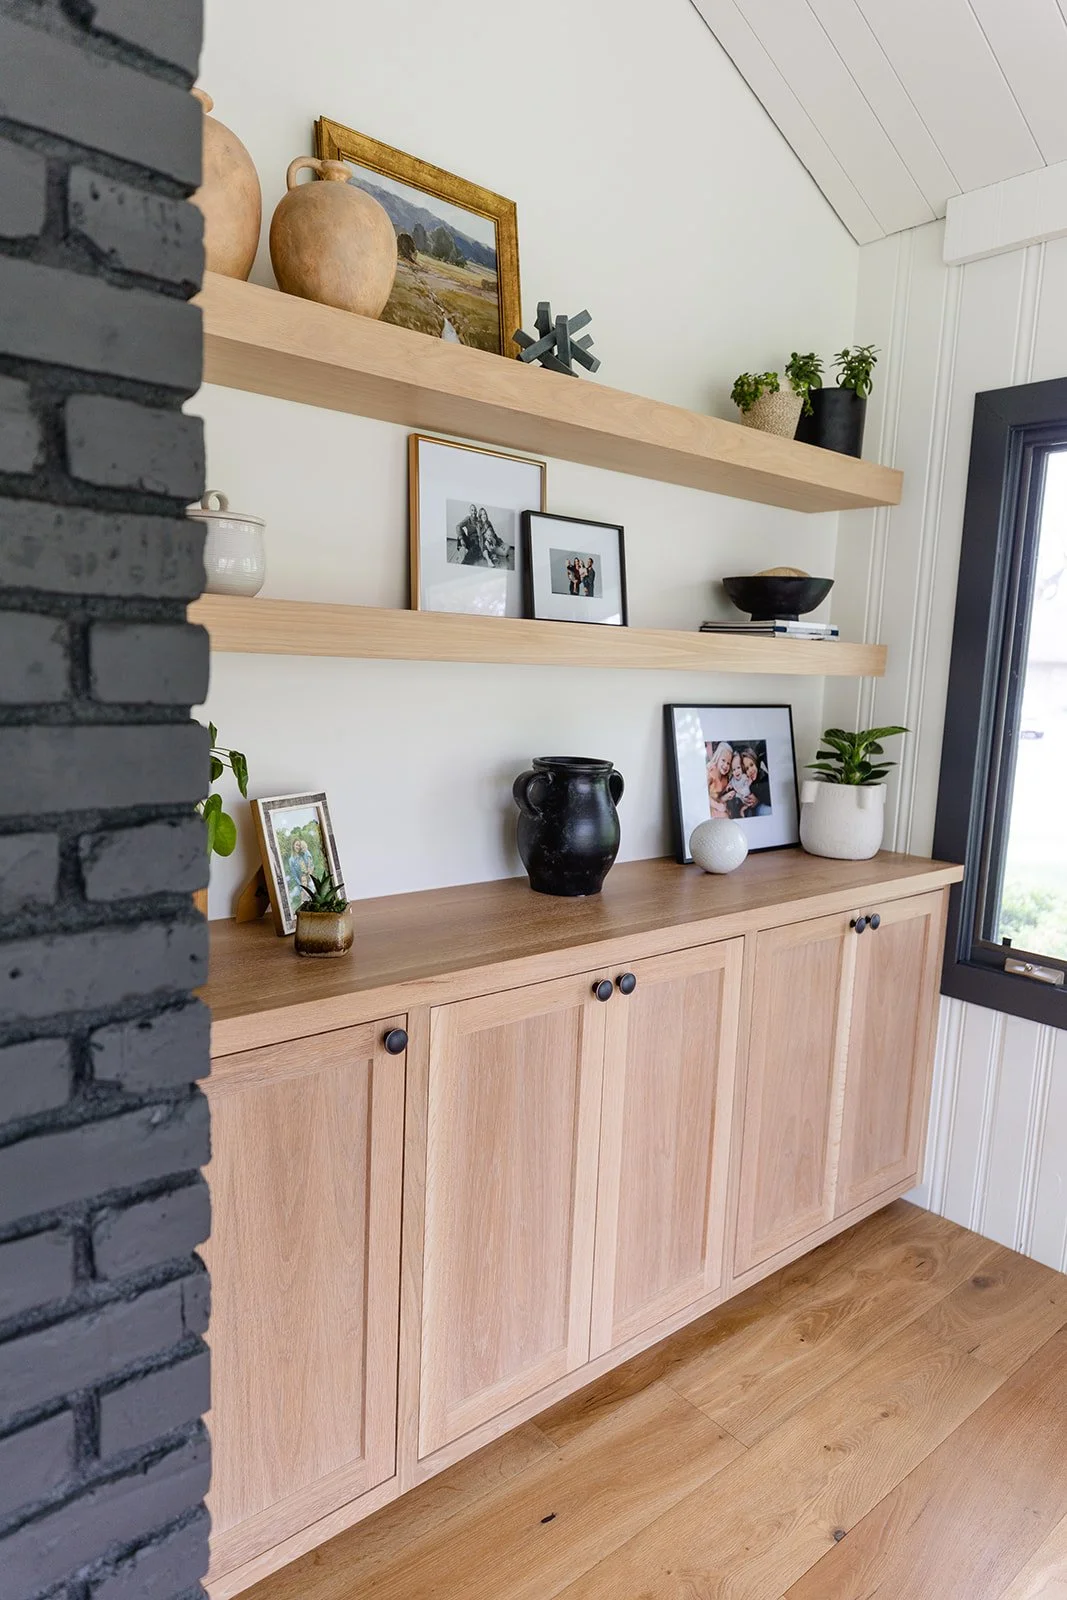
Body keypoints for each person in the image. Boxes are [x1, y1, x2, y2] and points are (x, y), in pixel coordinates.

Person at [739, 747, 773, 815]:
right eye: (747, 769)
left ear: (755, 762)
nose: (750, 771)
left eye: (751, 765)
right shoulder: (748, 782)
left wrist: (758, 799)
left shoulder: (764, 776)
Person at [706, 740, 734, 818]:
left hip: (719, 805)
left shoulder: (725, 778)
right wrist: (717, 805)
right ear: (717, 758)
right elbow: (703, 796)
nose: (725, 765)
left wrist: (725, 796)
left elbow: (719, 798)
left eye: (728, 763)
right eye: (723, 760)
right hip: (709, 807)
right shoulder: (710, 772)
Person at [286, 836, 315, 909]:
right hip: (302, 880)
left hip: (309, 876)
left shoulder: (303, 854)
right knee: (304, 893)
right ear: (293, 846)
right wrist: (300, 885)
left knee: (312, 891)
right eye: (296, 845)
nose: (298, 847)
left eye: (299, 845)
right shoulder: (291, 860)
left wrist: (310, 870)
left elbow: (310, 861)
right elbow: (294, 875)